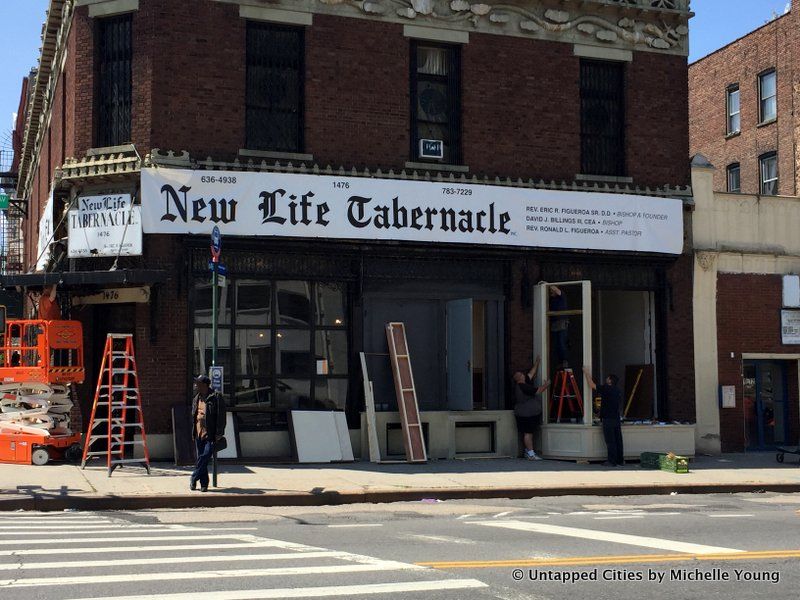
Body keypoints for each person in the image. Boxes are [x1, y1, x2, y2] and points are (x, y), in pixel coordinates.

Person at [190, 374, 226, 492]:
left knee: (205, 456)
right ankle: (203, 484)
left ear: (204, 385)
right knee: (202, 459)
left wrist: (219, 432)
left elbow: (221, 416)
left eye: (198, 384)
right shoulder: (196, 398)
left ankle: (194, 476)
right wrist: (194, 432)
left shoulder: (215, 397)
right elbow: (194, 416)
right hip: (199, 433)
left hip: (210, 434)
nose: (196, 386)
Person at [582, 366, 624, 466]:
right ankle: (620, 460)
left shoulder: (606, 388)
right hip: (616, 418)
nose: (606, 379)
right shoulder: (617, 390)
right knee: (618, 440)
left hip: (608, 419)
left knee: (610, 441)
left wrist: (586, 373)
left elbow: (591, 385)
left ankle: (611, 461)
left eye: (607, 378)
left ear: (610, 380)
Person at [513, 356, 550, 461]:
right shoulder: (523, 387)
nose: (524, 375)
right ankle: (531, 454)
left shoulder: (523, 383)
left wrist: (537, 363)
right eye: (521, 375)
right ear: (520, 378)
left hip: (524, 413)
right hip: (526, 414)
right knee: (528, 433)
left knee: (528, 433)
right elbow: (537, 391)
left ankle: (528, 451)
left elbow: (531, 373)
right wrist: (546, 385)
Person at [548, 285, 569, 368]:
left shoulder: (562, 296)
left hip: (561, 322)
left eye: (551, 292)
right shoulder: (552, 300)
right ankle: (560, 362)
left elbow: (556, 289)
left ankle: (565, 361)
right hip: (554, 323)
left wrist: (547, 285)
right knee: (556, 344)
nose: (551, 293)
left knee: (561, 343)